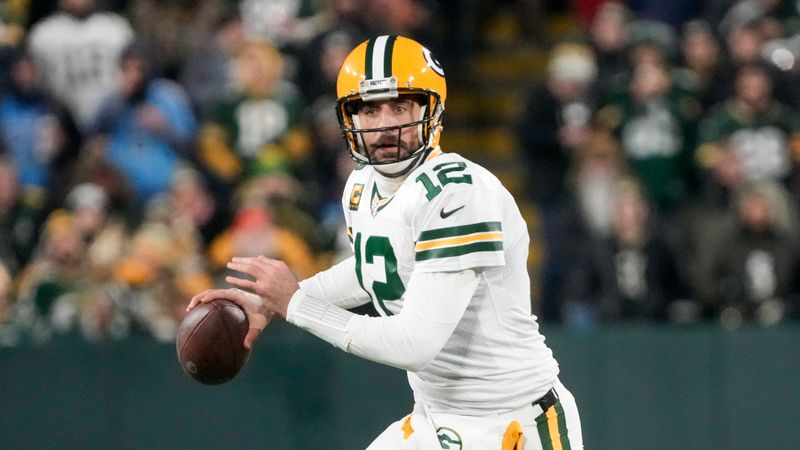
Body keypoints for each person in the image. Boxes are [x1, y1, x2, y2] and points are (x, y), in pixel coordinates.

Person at [188, 35, 583, 449]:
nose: (384, 124)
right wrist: (270, 303)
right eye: (370, 109)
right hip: (435, 418)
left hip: (511, 424)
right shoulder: (361, 186)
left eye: (399, 106)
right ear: (349, 118)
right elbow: (372, 271)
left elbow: (415, 343)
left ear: (429, 110)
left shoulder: (458, 191)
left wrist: (297, 305)